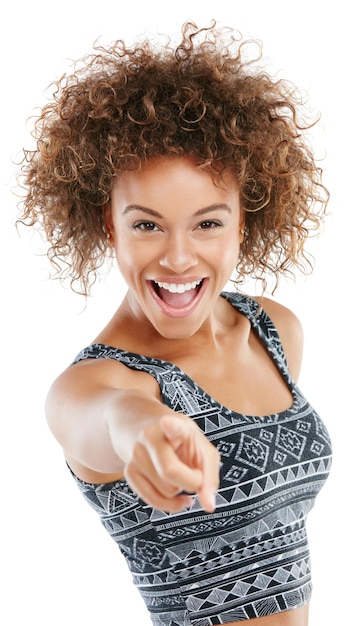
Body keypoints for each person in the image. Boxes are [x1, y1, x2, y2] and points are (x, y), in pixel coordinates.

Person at [17, 21, 332, 626]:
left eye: (208, 223)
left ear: (246, 220)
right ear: (109, 226)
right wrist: (144, 434)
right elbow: (108, 418)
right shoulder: (95, 384)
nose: (179, 258)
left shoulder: (276, 330)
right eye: (147, 224)